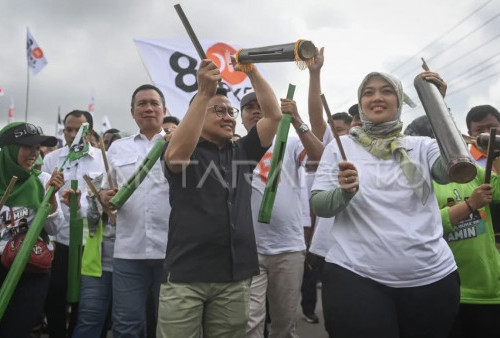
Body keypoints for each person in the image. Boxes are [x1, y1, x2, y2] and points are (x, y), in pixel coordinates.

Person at [310, 71, 460, 337]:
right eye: (368, 92)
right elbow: (320, 205)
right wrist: (343, 193)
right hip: (355, 275)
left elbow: (453, 171)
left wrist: (439, 110)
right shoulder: (341, 146)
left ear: (399, 101)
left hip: (433, 278)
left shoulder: (424, 146)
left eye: (386, 91)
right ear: (361, 101)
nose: (376, 97)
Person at [158, 58, 281, 337]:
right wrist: (203, 93)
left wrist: (252, 71)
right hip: (186, 277)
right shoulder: (184, 151)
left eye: (231, 111)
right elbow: (176, 157)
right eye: (219, 111)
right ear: (198, 114)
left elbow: (272, 116)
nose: (229, 117)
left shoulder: (243, 152)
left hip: (234, 277)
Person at [406, 114, 500, 338]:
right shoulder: (415, 178)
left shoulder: (471, 170)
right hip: (444, 289)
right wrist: (470, 205)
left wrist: (493, 152)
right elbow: (424, 223)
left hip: (488, 288)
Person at [242, 89, 324, 338]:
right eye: (250, 107)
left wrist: (298, 120)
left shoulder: (290, 144)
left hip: (287, 249)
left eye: (262, 105)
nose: (257, 110)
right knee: (249, 322)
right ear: (242, 117)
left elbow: (320, 157)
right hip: (248, 251)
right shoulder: (234, 148)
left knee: (284, 324)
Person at [99, 84, 170, 337]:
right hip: (129, 251)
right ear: (132, 112)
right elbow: (104, 193)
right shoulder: (118, 149)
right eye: (142, 104)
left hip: (171, 252)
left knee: (169, 325)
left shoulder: (180, 144)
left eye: (154, 103)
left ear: (165, 109)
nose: (148, 108)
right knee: (127, 325)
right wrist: (104, 198)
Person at [42, 110, 105, 337]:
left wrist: (81, 206)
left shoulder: (102, 159)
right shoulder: (52, 159)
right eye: (68, 129)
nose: (72, 134)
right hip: (59, 239)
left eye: (79, 129)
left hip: (90, 241)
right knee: (55, 293)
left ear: (90, 131)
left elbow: (106, 200)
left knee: (86, 298)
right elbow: (45, 198)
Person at [0, 122, 65, 337]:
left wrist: (51, 198)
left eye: (37, 148)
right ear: (8, 148)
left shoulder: (43, 180)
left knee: (16, 329)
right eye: (28, 147)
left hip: (31, 271)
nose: (34, 154)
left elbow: (55, 227)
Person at [466, 105, 500, 250]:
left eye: (492, 127)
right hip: (488, 235)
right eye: (479, 130)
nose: (487, 134)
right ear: (470, 134)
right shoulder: (466, 162)